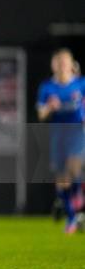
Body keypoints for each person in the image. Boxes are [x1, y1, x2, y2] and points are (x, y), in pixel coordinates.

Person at [37, 48, 85, 234]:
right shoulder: (47, 87)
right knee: (62, 179)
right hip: (58, 135)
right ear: (53, 65)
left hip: (77, 133)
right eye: (58, 62)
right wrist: (49, 107)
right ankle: (72, 216)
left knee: (73, 169)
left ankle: (72, 204)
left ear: (71, 64)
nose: (62, 65)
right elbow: (41, 114)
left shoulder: (80, 84)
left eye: (65, 62)